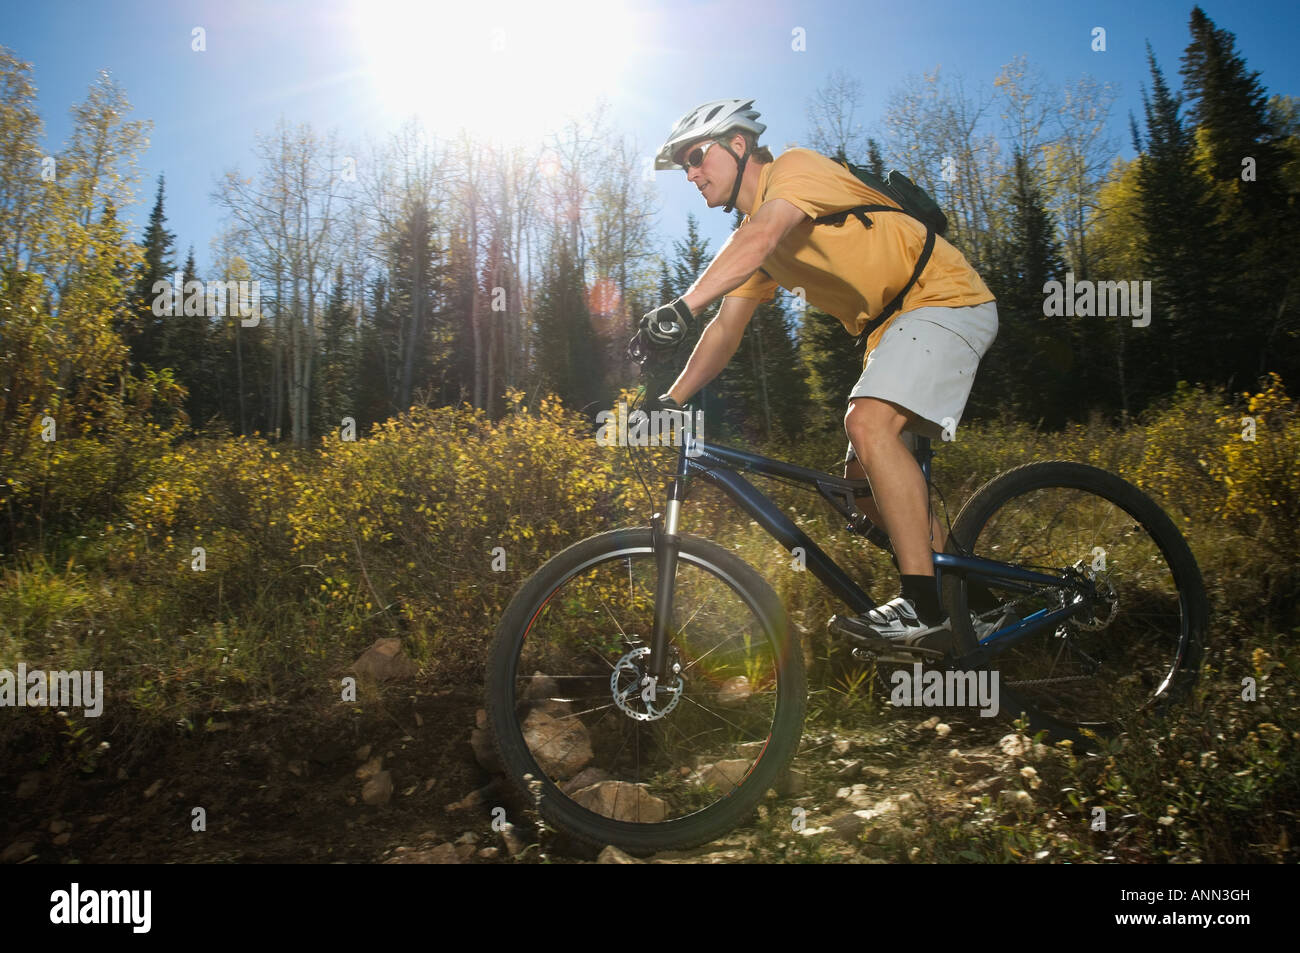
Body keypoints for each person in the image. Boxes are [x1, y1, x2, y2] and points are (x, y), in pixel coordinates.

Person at [639, 98, 998, 653]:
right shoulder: (754, 241)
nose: (690, 174)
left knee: (868, 423)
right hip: (891, 330)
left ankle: (924, 609)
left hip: (943, 297)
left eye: (696, 156)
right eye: (684, 165)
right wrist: (671, 399)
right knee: (863, 490)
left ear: (738, 145)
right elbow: (726, 329)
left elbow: (761, 235)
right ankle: (981, 608)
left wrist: (680, 307)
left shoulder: (795, 171)